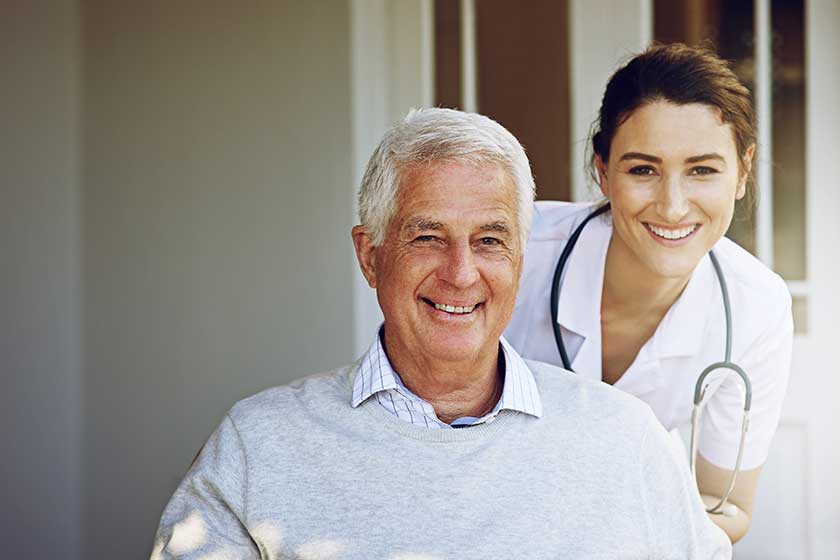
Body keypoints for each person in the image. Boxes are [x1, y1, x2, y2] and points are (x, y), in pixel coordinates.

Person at [150, 108, 731, 559]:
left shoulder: (626, 441)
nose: (460, 273)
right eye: (427, 237)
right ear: (370, 256)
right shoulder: (259, 446)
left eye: (489, 240)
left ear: (519, 260)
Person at [504, 43, 793, 543]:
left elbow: (727, 507)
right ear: (602, 171)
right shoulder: (514, 253)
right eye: (643, 170)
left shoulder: (757, 309)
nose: (673, 206)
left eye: (702, 170)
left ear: (743, 172)